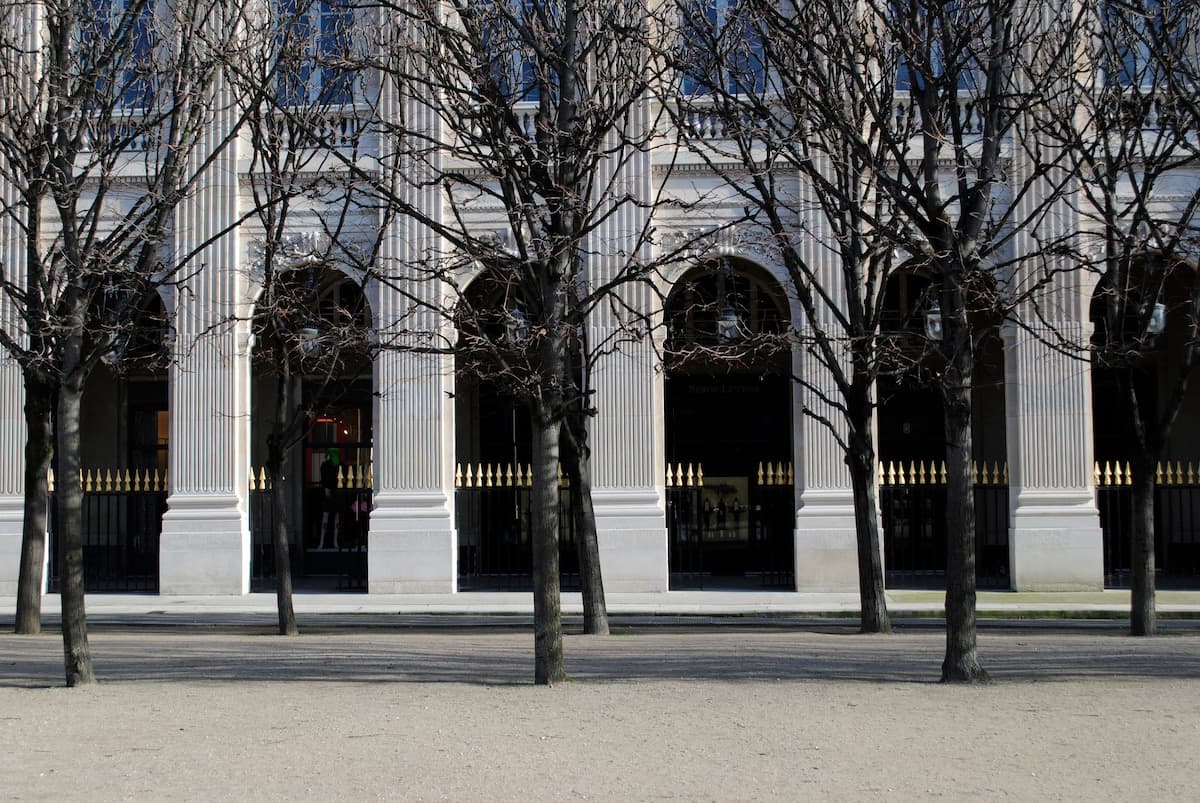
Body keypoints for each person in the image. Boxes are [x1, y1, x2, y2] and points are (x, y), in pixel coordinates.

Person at [317, 448, 340, 550]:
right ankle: (328, 542)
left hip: (334, 493)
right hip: (332, 493)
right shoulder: (328, 465)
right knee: (329, 519)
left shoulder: (329, 465)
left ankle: (330, 542)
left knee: (332, 519)